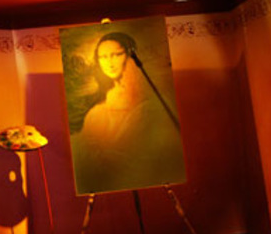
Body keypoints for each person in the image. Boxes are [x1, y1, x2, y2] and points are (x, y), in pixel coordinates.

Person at [70, 32, 186, 195]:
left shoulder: (152, 104)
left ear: (130, 55)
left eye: (116, 54)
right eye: (103, 57)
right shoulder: (96, 111)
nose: (109, 63)